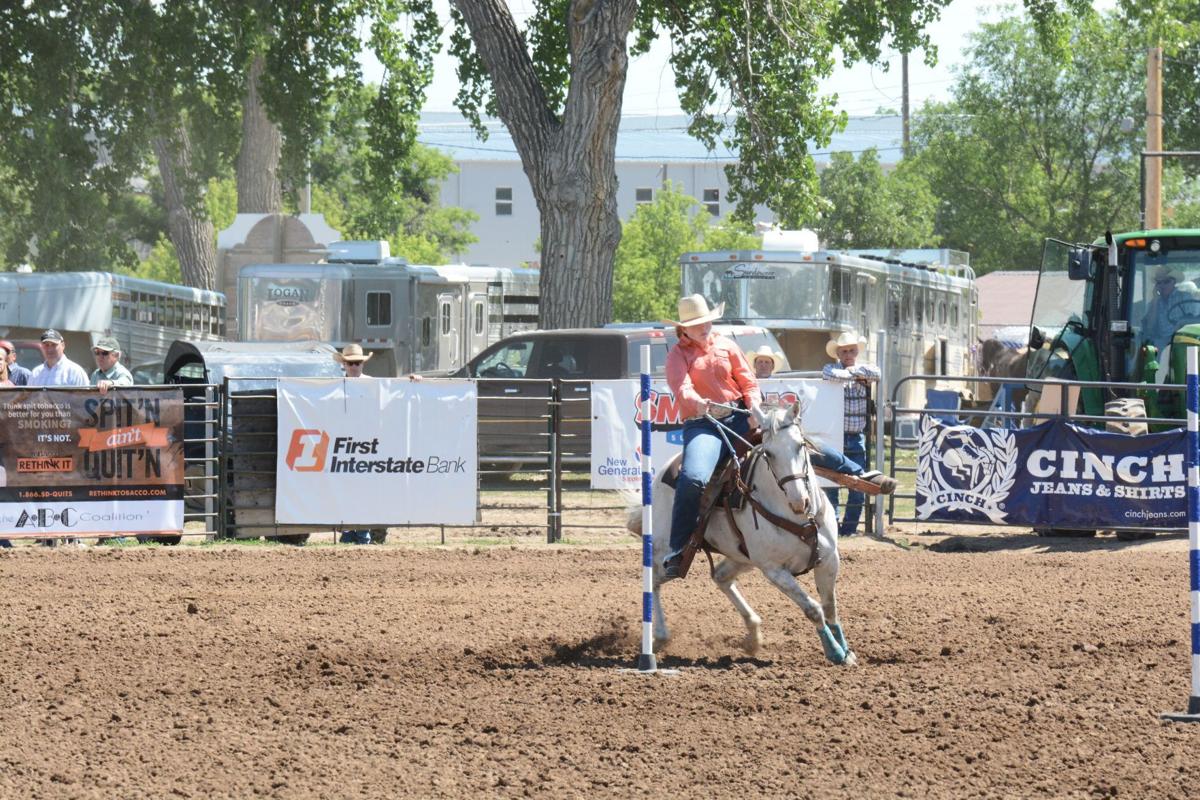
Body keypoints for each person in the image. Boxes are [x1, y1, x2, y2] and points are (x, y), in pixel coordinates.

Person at [661, 295, 894, 580]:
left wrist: (753, 407)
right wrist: (699, 403)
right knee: (694, 477)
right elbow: (681, 388)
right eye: (698, 324)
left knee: (792, 442)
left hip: (740, 415)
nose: (705, 327)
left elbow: (747, 379)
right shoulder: (677, 355)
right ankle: (678, 547)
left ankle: (859, 473)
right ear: (684, 328)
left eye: (707, 321)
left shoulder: (725, 345)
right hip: (704, 424)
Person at [331, 343, 391, 545]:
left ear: (362, 364)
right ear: (344, 365)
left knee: (364, 491)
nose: (354, 366)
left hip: (367, 445)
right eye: (350, 363)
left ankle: (362, 532)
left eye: (357, 363)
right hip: (344, 445)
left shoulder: (373, 384)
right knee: (346, 490)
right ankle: (349, 531)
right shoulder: (336, 385)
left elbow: (393, 395)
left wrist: (413, 381)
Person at [822, 331, 880, 537]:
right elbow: (829, 374)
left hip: (854, 435)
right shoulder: (832, 368)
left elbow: (877, 373)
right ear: (838, 353)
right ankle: (833, 527)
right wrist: (856, 375)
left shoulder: (865, 369)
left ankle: (848, 529)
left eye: (851, 351)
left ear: (857, 352)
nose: (848, 354)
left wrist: (852, 372)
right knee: (831, 484)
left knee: (858, 485)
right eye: (844, 351)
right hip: (834, 435)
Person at [1141, 265, 1200, 355]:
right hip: (1162, 344)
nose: (1162, 285)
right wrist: (1155, 300)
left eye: (1166, 282)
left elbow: (1194, 320)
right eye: (1159, 283)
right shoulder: (1154, 304)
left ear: (1174, 282)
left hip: (1184, 339)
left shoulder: (1184, 297)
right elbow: (1149, 327)